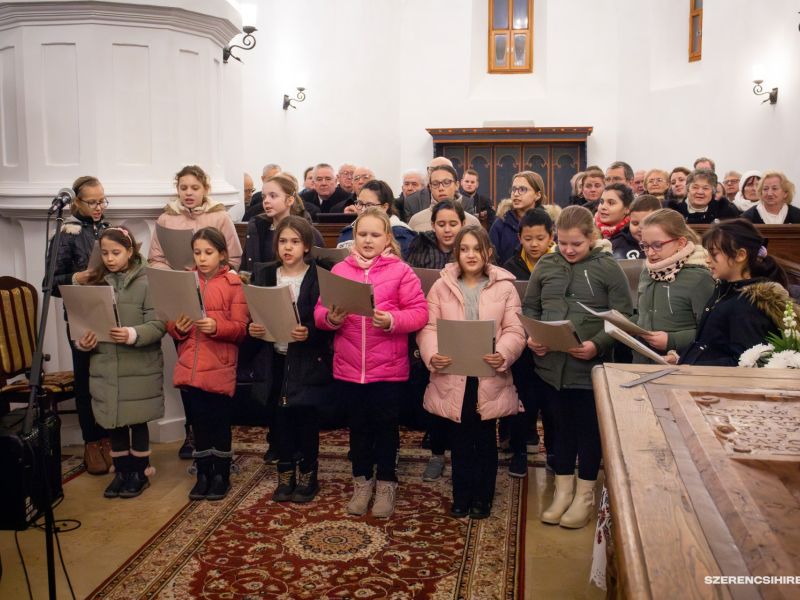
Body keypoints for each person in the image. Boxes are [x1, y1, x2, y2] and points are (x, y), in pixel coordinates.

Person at [523, 205, 633, 529]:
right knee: (559, 430)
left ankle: (584, 494)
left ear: (592, 238)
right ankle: (562, 490)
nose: (569, 250)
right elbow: (531, 305)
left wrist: (597, 344)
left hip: (589, 370)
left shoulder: (608, 268)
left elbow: (623, 316)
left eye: (577, 244)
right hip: (551, 367)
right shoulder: (547, 263)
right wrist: (534, 335)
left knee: (587, 433)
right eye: (563, 243)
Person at [314, 209, 428, 518]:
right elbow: (319, 313)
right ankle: (362, 483)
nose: (368, 240)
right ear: (354, 238)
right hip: (350, 368)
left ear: (387, 238)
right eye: (362, 234)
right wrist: (330, 318)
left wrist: (392, 319)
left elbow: (419, 312)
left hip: (388, 370)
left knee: (386, 429)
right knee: (359, 429)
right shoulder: (340, 270)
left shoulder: (401, 271)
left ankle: (387, 483)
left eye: (375, 235)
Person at [417, 226, 525, 519]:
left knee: (484, 438)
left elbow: (515, 329)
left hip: (489, 373)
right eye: (464, 249)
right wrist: (432, 353)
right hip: (454, 373)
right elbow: (428, 327)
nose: (470, 254)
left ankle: (483, 496)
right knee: (461, 439)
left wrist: (502, 352)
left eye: (477, 249)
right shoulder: (442, 286)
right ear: (457, 253)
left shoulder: (504, 287)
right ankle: (461, 494)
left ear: (488, 252)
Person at [248, 216, 334, 503]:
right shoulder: (265, 274)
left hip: (306, 358)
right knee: (280, 420)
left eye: (295, 242)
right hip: (275, 356)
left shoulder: (318, 275)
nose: (288, 248)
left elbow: (325, 322)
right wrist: (254, 328)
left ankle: (308, 474)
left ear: (307, 246)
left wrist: (308, 331)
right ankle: (285, 474)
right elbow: (256, 311)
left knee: (305, 419)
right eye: (283, 241)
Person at [76, 227, 166, 498]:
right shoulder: (96, 283)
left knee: (136, 419)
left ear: (130, 251)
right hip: (105, 364)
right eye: (104, 253)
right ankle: (122, 471)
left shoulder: (148, 281)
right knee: (114, 421)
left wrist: (132, 333)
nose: (110, 258)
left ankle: (139, 471)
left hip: (137, 364)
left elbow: (159, 323)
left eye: (116, 252)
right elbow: (83, 325)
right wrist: (84, 341)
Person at [167, 227, 249, 501]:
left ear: (222, 254)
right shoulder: (185, 282)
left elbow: (240, 328)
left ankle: (220, 475)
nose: (202, 258)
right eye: (197, 252)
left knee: (219, 423)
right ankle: (202, 473)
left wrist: (216, 326)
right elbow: (171, 321)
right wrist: (177, 327)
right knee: (199, 423)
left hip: (220, 363)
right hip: (191, 363)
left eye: (208, 252)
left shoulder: (233, 285)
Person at [50, 175, 112, 475]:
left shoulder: (107, 228)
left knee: (109, 379)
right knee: (86, 381)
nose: (99, 207)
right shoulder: (66, 232)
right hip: (80, 316)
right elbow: (49, 284)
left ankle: (110, 439)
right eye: (93, 202)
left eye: (103, 200)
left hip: (109, 310)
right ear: (77, 202)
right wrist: (77, 278)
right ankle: (91, 442)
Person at [405, 200, 466, 482]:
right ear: (433, 225)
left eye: (453, 223)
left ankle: (462, 452)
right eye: (441, 224)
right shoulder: (419, 246)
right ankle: (437, 452)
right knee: (435, 391)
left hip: (462, 326)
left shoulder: (469, 248)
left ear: (462, 224)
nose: (447, 229)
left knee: (464, 394)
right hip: (429, 324)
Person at [678, 219, 791, 366]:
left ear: (740, 255)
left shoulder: (749, 304)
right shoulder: (726, 290)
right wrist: (681, 355)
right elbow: (710, 344)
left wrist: (693, 367)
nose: (707, 260)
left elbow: (744, 362)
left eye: (714, 254)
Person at [501, 209, 555, 477]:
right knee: (523, 398)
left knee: (551, 403)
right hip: (521, 342)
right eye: (528, 238)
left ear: (550, 238)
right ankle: (519, 450)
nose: (534, 244)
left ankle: (555, 453)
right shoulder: (510, 268)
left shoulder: (560, 263)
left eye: (540, 238)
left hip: (552, 343)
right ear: (519, 237)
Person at [634, 209, 715, 364]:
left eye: (657, 245)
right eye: (645, 245)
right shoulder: (648, 271)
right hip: (642, 360)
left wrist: (672, 340)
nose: (650, 253)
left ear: (680, 243)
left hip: (682, 364)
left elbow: (711, 331)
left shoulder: (699, 277)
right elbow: (644, 315)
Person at [242, 173, 324, 273]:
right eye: (264, 197)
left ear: (289, 201)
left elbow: (319, 269)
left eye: (273, 196)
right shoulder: (256, 228)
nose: (266, 201)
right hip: (262, 286)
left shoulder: (307, 231)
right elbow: (246, 266)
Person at [336, 180, 417, 258]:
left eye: (369, 205)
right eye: (360, 203)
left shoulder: (400, 234)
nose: (363, 210)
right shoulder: (349, 231)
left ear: (385, 207)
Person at [489, 170, 547, 264]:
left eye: (522, 189)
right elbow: (490, 260)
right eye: (514, 189)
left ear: (537, 195)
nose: (515, 194)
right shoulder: (500, 224)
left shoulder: (547, 223)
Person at [408, 165, 481, 232]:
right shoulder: (416, 221)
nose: (441, 188)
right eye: (435, 184)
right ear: (430, 187)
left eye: (446, 182)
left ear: (457, 185)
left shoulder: (472, 223)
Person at [673, 169, 740, 224]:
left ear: (713, 191)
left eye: (705, 188)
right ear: (688, 189)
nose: (700, 192)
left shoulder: (725, 212)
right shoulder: (674, 211)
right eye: (695, 187)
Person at [611, 194, 661, 260]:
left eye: (646, 223)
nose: (640, 228)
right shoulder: (616, 246)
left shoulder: (670, 243)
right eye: (635, 223)